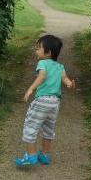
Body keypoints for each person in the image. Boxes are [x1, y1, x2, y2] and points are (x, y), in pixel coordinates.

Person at [15, 34, 75, 168]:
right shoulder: (60, 66)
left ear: (48, 52)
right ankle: (45, 155)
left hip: (42, 100)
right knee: (49, 129)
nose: (35, 50)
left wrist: (30, 89)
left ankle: (31, 156)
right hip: (54, 103)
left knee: (31, 126)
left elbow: (41, 77)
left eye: (38, 48)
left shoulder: (42, 63)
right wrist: (70, 84)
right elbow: (65, 80)